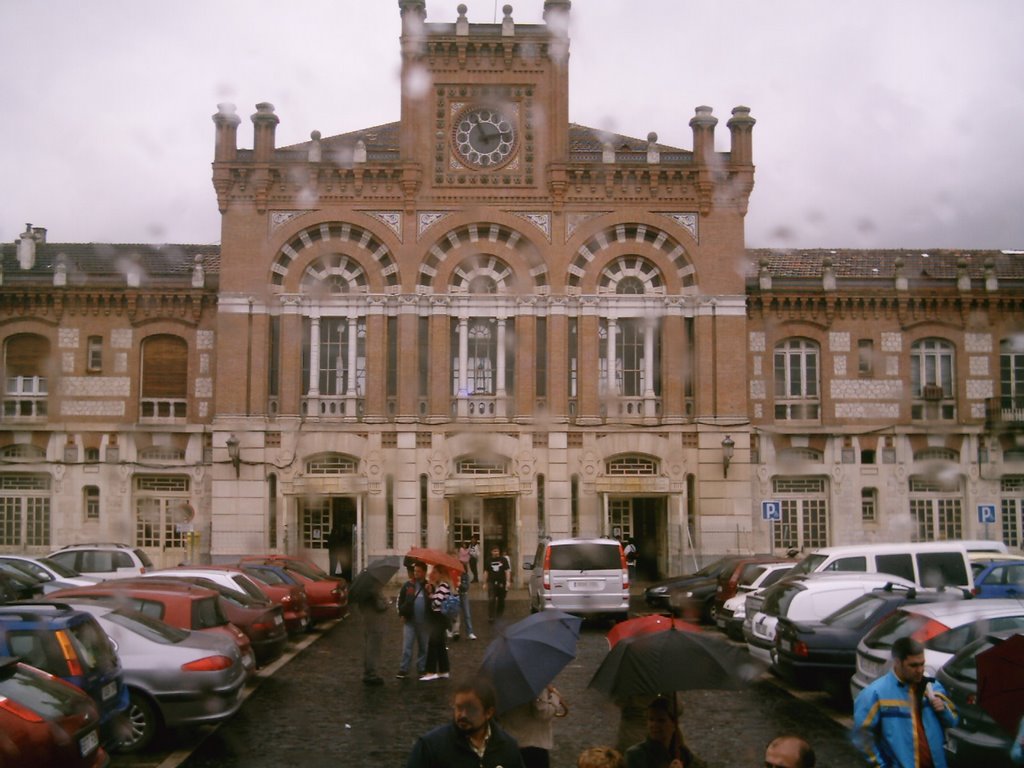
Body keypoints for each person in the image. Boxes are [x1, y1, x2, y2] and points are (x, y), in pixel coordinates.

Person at [852, 635, 958, 768]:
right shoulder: (875, 694)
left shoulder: (932, 686)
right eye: (913, 665)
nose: (920, 670)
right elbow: (861, 736)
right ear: (897, 662)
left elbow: (953, 721)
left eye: (922, 664)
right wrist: (880, 765)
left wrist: (943, 709)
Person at [405, 675, 525, 768]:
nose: (463, 715)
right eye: (459, 707)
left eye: (471, 709)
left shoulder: (507, 748)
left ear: (488, 713)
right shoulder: (431, 747)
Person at [623, 696, 702, 768]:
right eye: (651, 719)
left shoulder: (682, 753)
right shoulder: (636, 755)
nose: (654, 725)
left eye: (661, 720)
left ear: (674, 724)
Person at [500, 685, 568, 768]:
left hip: (509, 743)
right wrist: (555, 696)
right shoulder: (534, 682)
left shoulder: (500, 682)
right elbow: (543, 713)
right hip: (534, 745)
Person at [352, 569, 390, 686]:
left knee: (369, 647)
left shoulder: (362, 592)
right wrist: (386, 602)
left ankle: (368, 672)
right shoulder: (374, 590)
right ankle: (372, 674)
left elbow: (361, 607)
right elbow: (380, 606)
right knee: (373, 649)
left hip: (367, 621)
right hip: (376, 622)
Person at [396, 561, 430, 680]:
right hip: (410, 621)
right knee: (407, 647)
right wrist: (401, 613)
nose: (416, 573)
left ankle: (421, 668)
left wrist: (430, 591)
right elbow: (400, 601)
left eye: (419, 571)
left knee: (423, 647)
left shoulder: (428, 586)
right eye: (415, 571)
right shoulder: (408, 585)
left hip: (424, 622)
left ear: (424, 572)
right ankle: (404, 669)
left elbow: (433, 602)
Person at [420, 565, 452, 681]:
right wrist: (432, 591)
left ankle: (431, 671)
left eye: (435, 572)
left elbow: (437, 603)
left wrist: (430, 596)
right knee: (440, 645)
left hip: (439, 618)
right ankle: (444, 670)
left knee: (433, 644)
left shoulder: (443, 586)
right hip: (441, 618)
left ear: (441, 574)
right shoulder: (441, 586)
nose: (432, 575)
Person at [451, 564, 477, 641]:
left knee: (467, 614)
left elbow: (466, 587)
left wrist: (460, 584)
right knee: (455, 614)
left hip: (463, 595)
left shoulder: (465, 576)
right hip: (455, 595)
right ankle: (455, 631)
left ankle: (470, 632)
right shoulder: (453, 573)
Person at [485, 545, 510, 622]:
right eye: (494, 551)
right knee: (491, 599)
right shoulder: (488, 560)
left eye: (497, 551)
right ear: (491, 552)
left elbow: (507, 571)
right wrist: (484, 582)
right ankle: (491, 616)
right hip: (491, 582)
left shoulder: (504, 560)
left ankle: (499, 615)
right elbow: (486, 572)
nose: (496, 553)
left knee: (501, 600)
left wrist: (508, 581)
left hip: (501, 582)